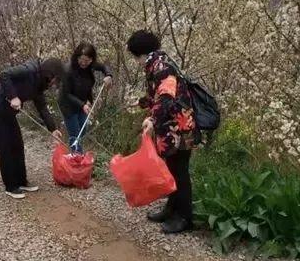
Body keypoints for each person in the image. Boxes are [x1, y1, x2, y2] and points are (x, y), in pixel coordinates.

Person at [126, 30, 198, 233]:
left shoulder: (162, 66)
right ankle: (171, 208)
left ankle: (185, 218)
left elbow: (166, 97)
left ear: (141, 54)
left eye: (135, 57)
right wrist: (142, 103)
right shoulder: (157, 64)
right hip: (171, 126)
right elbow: (158, 94)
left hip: (179, 127)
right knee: (172, 168)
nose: (137, 62)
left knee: (180, 171)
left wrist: (151, 119)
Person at [0, 58, 64, 199]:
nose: (54, 84)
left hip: (8, 113)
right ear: (50, 74)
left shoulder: (39, 85)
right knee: (5, 148)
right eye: (55, 80)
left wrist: (53, 129)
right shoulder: (29, 70)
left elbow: (43, 108)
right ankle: (11, 186)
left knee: (18, 145)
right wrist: (13, 96)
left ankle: (21, 182)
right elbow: (4, 75)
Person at [58, 42, 113, 153]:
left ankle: (73, 152)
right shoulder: (68, 70)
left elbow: (104, 66)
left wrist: (108, 75)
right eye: (81, 59)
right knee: (76, 136)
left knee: (82, 132)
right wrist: (82, 105)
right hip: (68, 105)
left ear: (91, 59)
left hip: (82, 103)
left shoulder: (91, 65)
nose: (83, 63)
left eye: (87, 60)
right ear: (77, 57)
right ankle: (77, 161)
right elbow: (66, 94)